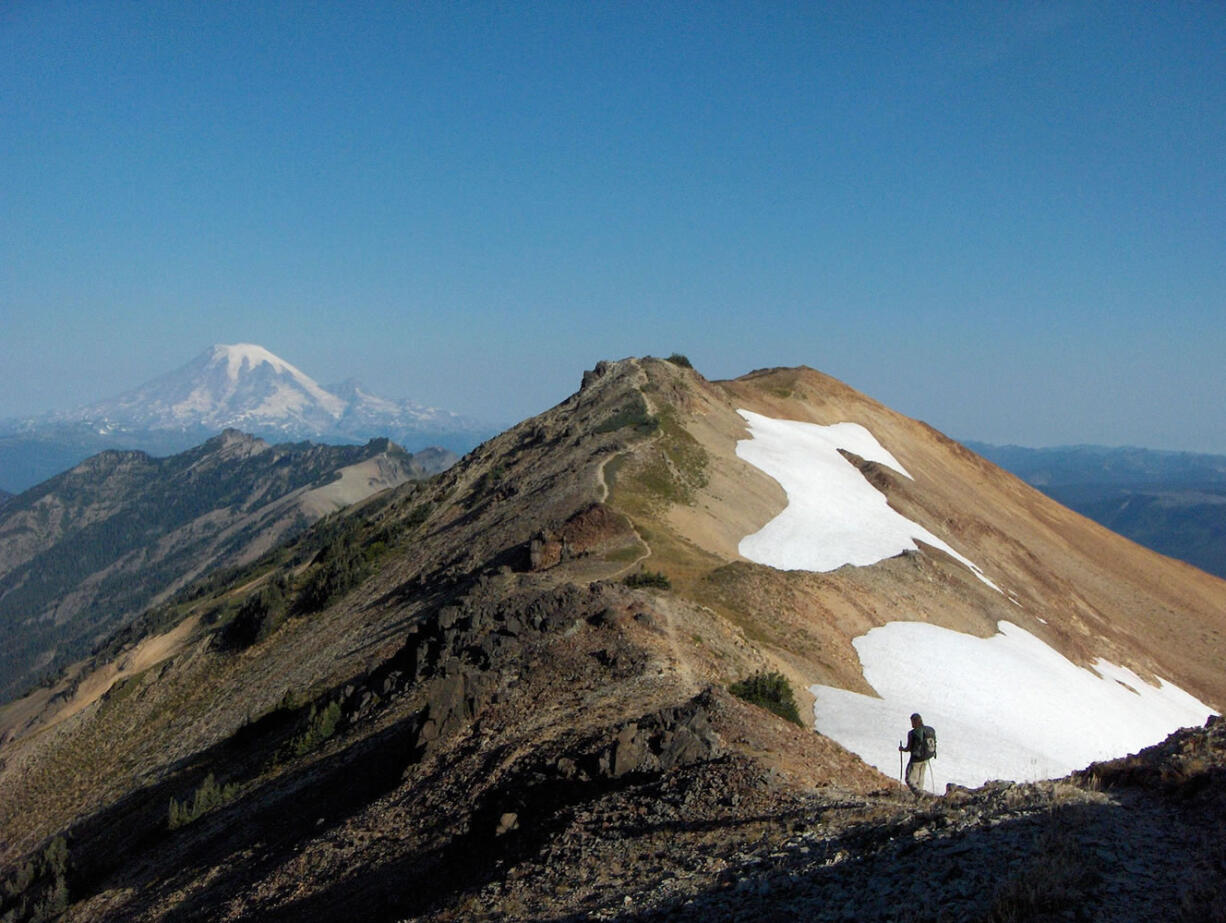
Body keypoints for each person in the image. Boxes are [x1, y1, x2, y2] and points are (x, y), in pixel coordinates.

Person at [899, 712, 935, 796]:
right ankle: (920, 798)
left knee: (910, 779)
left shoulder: (913, 733)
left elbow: (908, 748)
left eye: (912, 721)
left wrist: (902, 749)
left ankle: (920, 794)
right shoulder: (929, 730)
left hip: (916, 759)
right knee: (920, 779)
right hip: (926, 758)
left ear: (914, 721)